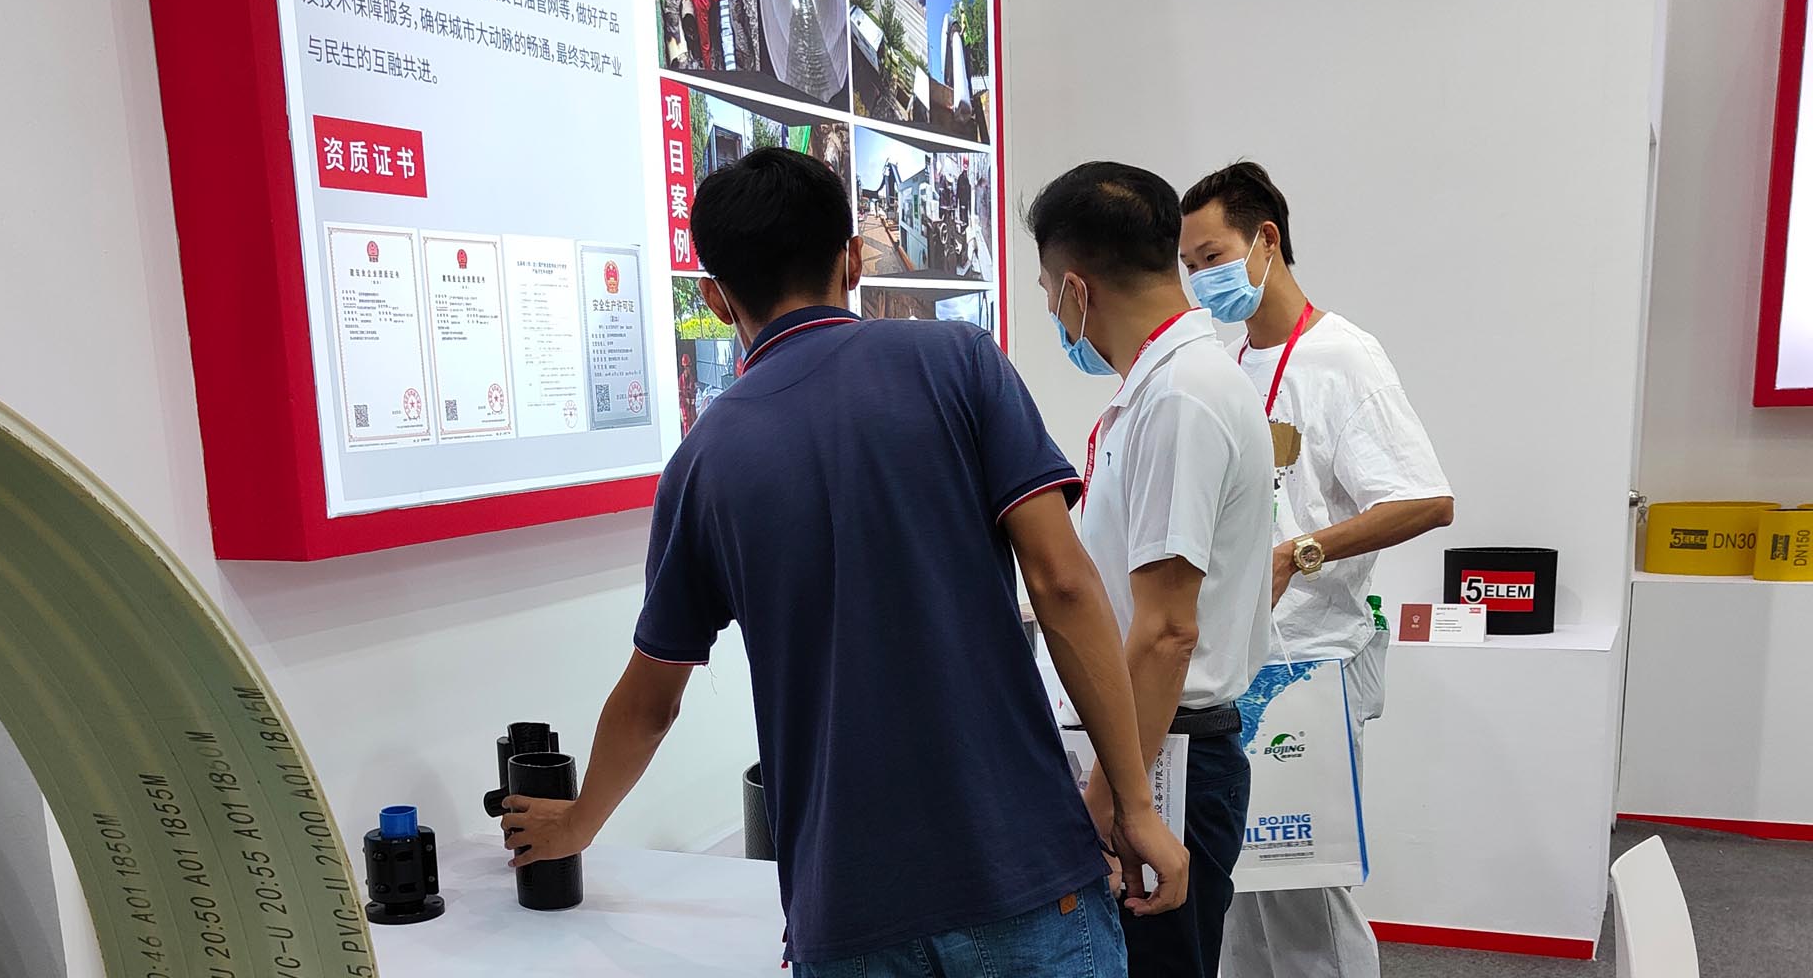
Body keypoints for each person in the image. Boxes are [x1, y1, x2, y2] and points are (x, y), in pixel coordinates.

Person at [502, 148, 1191, 975]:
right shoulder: (959, 362)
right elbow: (1064, 584)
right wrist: (1134, 805)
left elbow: (651, 702)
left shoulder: (703, 463)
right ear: (854, 260)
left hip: (848, 909)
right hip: (1023, 873)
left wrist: (577, 824)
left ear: (716, 298)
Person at [1178, 161, 1454, 978]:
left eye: (1212, 257)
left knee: (1305, 892)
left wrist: (1300, 554)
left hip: (1312, 666)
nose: (1200, 280)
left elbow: (1426, 499)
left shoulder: (1342, 357)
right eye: (1188, 265)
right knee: (1238, 894)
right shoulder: (1230, 364)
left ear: (1266, 240)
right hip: (1237, 667)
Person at [1026, 162, 1276, 978]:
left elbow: (1167, 633)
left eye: (1046, 292)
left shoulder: (1181, 398)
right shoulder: (1168, 385)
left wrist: (1109, 803)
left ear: (1075, 288)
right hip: (1152, 751)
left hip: (1165, 760)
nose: (1052, 312)